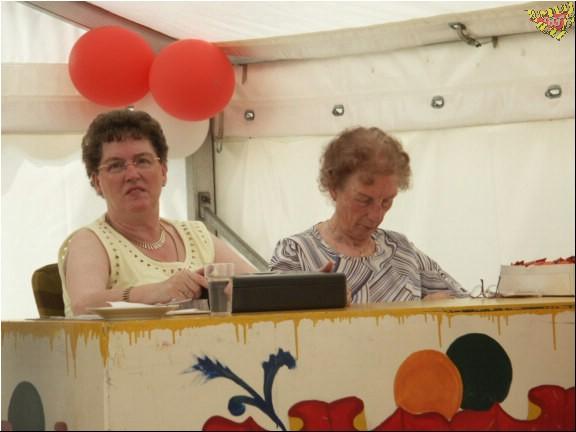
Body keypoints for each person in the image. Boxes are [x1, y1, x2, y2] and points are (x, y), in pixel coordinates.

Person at [58, 109, 256, 317]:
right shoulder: (90, 240)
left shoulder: (196, 235)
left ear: (163, 172)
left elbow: (261, 288)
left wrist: (237, 291)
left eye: (143, 161)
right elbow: (83, 304)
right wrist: (158, 291)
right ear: (96, 182)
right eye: (116, 166)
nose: (132, 174)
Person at [269, 127, 468, 303]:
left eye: (386, 201)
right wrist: (308, 300)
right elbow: (268, 322)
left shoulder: (401, 251)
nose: (376, 215)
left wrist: (436, 305)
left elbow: (467, 303)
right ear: (334, 188)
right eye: (364, 200)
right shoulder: (297, 253)